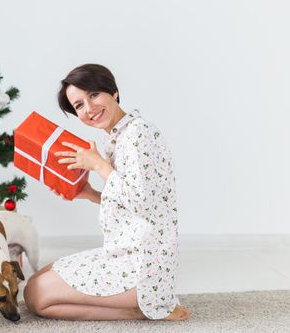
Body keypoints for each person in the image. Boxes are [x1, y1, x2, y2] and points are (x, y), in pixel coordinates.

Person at [23, 64, 190, 321]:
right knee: (38, 279)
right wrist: (90, 193)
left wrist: (98, 164)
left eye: (93, 95)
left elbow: (143, 204)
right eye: (78, 106)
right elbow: (136, 204)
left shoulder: (138, 133)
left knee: (36, 296)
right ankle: (142, 307)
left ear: (113, 91)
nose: (89, 109)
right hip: (124, 254)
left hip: (144, 266)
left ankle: (144, 308)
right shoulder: (117, 137)